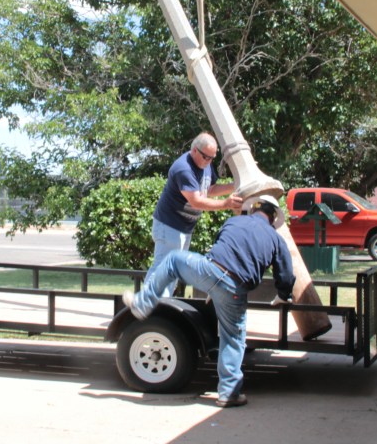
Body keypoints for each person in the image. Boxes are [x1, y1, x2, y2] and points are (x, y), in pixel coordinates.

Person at [123, 195, 295, 408]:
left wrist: (211, 287)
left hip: (209, 270)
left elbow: (220, 248)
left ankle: (143, 304)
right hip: (235, 288)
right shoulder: (276, 239)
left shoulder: (234, 221)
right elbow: (285, 275)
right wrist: (283, 295)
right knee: (233, 338)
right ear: (273, 218)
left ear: (253, 210)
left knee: (173, 259)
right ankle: (229, 394)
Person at [150, 132, 243, 295]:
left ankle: (159, 306)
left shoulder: (205, 164)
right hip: (169, 226)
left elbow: (210, 189)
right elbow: (196, 201)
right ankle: (149, 306)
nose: (209, 162)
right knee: (163, 268)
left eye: (212, 158)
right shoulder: (183, 168)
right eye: (206, 157)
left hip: (183, 228)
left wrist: (235, 185)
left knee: (172, 271)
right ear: (194, 150)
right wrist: (226, 204)